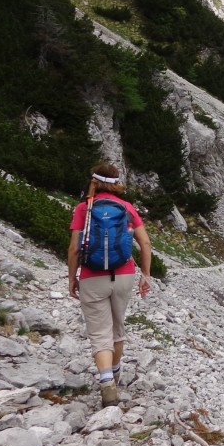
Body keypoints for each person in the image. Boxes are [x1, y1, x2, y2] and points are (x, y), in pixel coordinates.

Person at [67, 163, 152, 408]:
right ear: (116, 183)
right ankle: (115, 372)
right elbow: (145, 244)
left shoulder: (84, 208)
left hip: (91, 276)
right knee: (117, 326)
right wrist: (145, 275)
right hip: (124, 275)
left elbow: (74, 248)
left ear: (93, 181)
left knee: (99, 331)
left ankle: (106, 383)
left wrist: (72, 277)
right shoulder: (127, 208)